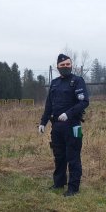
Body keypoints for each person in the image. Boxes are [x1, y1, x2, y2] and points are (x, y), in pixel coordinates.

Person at [39, 54, 89, 197]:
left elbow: (84, 102)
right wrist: (43, 122)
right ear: (58, 67)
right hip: (57, 128)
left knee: (73, 156)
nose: (65, 67)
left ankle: (73, 188)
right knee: (59, 156)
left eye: (68, 64)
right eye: (62, 65)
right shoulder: (54, 83)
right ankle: (59, 183)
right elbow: (49, 105)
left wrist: (69, 113)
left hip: (73, 126)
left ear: (71, 65)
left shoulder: (77, 81)